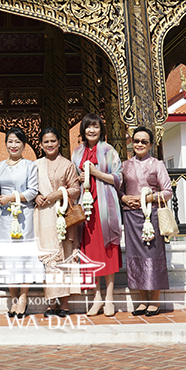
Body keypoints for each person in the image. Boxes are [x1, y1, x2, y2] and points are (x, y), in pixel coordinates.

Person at [72, 113, 123, 316]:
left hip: (105, 208)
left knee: (108, 251)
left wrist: (96, 173)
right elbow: (73, 178)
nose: (91, 130)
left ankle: (109, 297)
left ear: (101, 129)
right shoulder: (76, 152)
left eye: (95, 127)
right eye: (88, 127)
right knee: (91, 253)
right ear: (83, 130)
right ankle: (97, 297)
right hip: (86, 209)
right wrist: (80, 177)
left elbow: (118, 177)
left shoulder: (108, 150)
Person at [120, 125, 174, 317]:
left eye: (144, 141)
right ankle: (142, 301)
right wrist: (124, 198)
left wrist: (148, 198)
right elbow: (120, 189)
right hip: (131, 216)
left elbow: (168, 191)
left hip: (151, 215)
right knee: (135, 258)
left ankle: (155, 300)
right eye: (136, 141)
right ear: (131, 143)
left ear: (150, 144)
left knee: (153, 255)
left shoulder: (157, 164)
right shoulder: (125, 165)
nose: (139, 144)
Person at [33, 126, 80, 317]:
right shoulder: (35, 165)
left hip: (62, 216)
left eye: (53, 141)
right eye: (46, 141)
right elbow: (30, 188)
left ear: (59, 142)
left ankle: (65, 304)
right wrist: (36, 195)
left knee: (64, 257)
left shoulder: (67, 165)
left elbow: (75, 189)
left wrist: (57, 194)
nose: (50, 144)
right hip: (43, 216)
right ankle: (51, 303)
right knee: (49, 259)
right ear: (41, 145)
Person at [0, 126, 38, 317]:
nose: (13, 145)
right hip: (4, 217)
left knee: (23, 257)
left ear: (24, 145)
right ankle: (13, 296)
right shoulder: (0, 166)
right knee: (7, 258)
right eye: (10, 141)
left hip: (23, 217)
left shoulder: (30, 166)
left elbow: (33, 191)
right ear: (5, 144)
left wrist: (11, 198)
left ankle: (23, 297)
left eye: (17, 141)